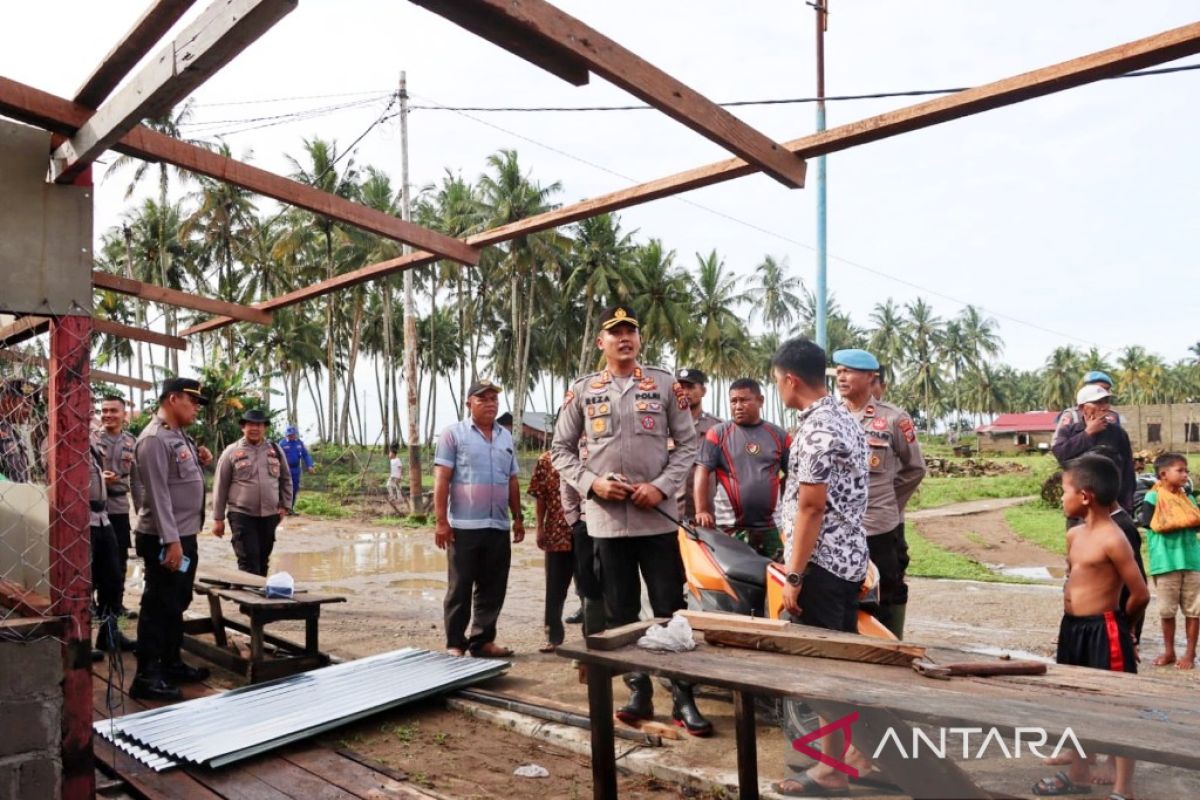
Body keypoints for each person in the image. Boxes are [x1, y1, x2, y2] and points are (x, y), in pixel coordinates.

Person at [551, 306, 709, 737]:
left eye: (630, 332)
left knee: (670, 612)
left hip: (656, 521)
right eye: (614, 333)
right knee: (621, 614)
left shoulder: (663, 385)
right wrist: (593, 483)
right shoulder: (583, 390)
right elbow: (560, 450)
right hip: (607, 524)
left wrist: (660, 486)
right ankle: (638, 692)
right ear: (601, 342)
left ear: (639, 339)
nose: (624, 339)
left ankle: (683, 696)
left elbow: (687, 445)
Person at [769, 337, 873, 797]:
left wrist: (794, 575)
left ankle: (833, 769)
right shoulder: (843, 417)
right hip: (846, 561)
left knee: (826, 673)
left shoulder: (816, 430)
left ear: (790, 380)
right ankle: (841, 757)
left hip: (823, 568)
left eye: (776, 382)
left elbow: (812, 508)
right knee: (838, 668)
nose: (778, 389)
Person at [1032, 455, 1148, 799]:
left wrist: (1122, 626)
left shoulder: (1114, 537)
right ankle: (1079, 775)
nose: (1061, 497)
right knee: (1074, 700)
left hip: (1105, 630)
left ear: (1085, 496)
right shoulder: (1075, 535)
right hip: (1073, 628)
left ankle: (1122, 789)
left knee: (1116, 706)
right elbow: (1076, 579)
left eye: (1065, 490)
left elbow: (1140, 593)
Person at [834, 348, 926, 639]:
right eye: (839, 371)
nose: (841, 376)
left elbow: (914, 468)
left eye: (849, 371)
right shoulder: (830, 417)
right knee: (841, 592)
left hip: (879, 527)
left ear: (870, 377)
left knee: (888, 590)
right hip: (839, 527)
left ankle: (890, 647)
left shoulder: (893, 419)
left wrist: (888, 501)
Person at [130, 377, 211, 701]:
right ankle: (146, 676)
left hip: (182, 535)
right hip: (165, 537)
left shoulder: (178, 436)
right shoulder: (153, 439)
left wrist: (200, 457)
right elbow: (159, 494)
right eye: (192, 402)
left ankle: (171, 662)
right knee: (157, 605)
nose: (195, 409)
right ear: (173, 399)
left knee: (176, 602)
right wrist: (172, 541)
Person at [433, 380, 525, 658]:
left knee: (493, 587)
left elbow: (512, 480)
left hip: (497, 525)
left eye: (494, 399)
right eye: (483, 399)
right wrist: (441, 522)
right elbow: (442, 479)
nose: (490, 403)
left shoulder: (505, 437)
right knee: (460, 587)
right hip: (464, 526)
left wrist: (518, 517)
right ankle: (455, 643)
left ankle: (483, 641)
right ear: (469, 403)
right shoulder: (453, 435)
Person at [693, 378, 790, 558]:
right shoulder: (718, 433)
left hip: (771, 526)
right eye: (734, 401)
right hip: (729, 526)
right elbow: (702, 471)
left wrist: (783, 498)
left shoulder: (779, 436)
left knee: (774, 578)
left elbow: (794, 474)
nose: (738, 406)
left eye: (744, 400)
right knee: (732, 582)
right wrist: (702, 510)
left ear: (760, 401)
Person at [1137, 452, 1200, 670]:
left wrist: (1184, 520)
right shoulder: (1152, 498)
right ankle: (1169, 651)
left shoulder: (1189, 499)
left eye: (1186, 470)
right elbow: (1150, 523)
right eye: (1180, 470)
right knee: (1167, 611)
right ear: (1163, 474)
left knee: (1194, 611)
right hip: (1165, 562)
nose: (1185, 474)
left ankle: (1190, 653)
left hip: (1192, 561)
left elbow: (1196, 523)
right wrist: (1185, 520)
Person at [211, 409, 293, 576]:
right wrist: (218, 519)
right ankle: (247, 602)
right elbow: (220, 486)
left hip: (270, 516)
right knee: (249, 562)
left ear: (265, 428)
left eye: (259, 425)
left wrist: (285, 506)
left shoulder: (275, 450)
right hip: (241, 515)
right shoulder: (231, 452)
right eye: (251, 425)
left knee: (263, 562)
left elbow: (286, 479)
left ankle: (258, 601)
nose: (255, 428)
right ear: (243, 427)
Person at [92, 394, 143, 621]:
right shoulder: (91, 439)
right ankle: (90, 604)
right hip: (94, 509)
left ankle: (116, 603)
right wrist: (101, 479)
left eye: (113, 411)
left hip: (119, 508)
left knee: (119, 559)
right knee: (93, 560)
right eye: (104, 411)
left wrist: (141, 512)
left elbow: (137, 481)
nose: (108, 415)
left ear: (124, 415)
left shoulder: (132, 442)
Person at [1053, 384, 1136, 515]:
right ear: (1082, 408)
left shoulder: (1118, 434)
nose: (1104, 407)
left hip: (1113, 505)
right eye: (1097, 402)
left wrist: (1127, 505)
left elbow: (1128, 471)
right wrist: (1087, 433)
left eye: (1106, 402)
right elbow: (1061, 455)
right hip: (1080, 505)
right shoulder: (1069, 431)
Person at [528, 447, 575, 652]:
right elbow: (541, 496)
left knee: (590, 586)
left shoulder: (592, 452)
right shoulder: (547, 459)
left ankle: (593, 635)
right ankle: (553, 637)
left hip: (587, 532)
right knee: (555, 587)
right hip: (556, 531)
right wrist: (539, 527)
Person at [88, 442, 129, 656]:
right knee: (85, 583)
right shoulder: (60, 440)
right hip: (82, 520)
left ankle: (109, 634)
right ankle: (81, 642)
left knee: (113, 579)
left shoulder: (91, 443)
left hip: (103, 518)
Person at [675, 368, 721, 522]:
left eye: (690, 387)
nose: (685, 392)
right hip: (671, 512)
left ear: (703, 391)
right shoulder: (663, 426)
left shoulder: (717, 427)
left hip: (706, 514)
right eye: (681, 388)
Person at [1051, 370, 1118, 449]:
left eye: (1108, 389)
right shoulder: (1071, 416)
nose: (1104, 392)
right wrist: (1087, 433)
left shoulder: (1113, 416)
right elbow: (1058, 448)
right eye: (1100, 388)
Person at [0, 378, 38, 483]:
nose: (29, 412)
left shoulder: (11, 431)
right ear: (8, 401)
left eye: (31, 407)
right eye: (26, 405)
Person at [277, 424, 314, 509]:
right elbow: (277, 457)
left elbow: (306, 455)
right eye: (289, 434)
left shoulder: (299, 443)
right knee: (284, 488)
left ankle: (290, 508)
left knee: (294, 488)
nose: (291, 436)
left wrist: (310, 465)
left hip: (296, 470)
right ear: (286, 434)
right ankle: (282, 507)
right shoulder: (282, 444)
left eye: (293, 434)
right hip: (285, 469)